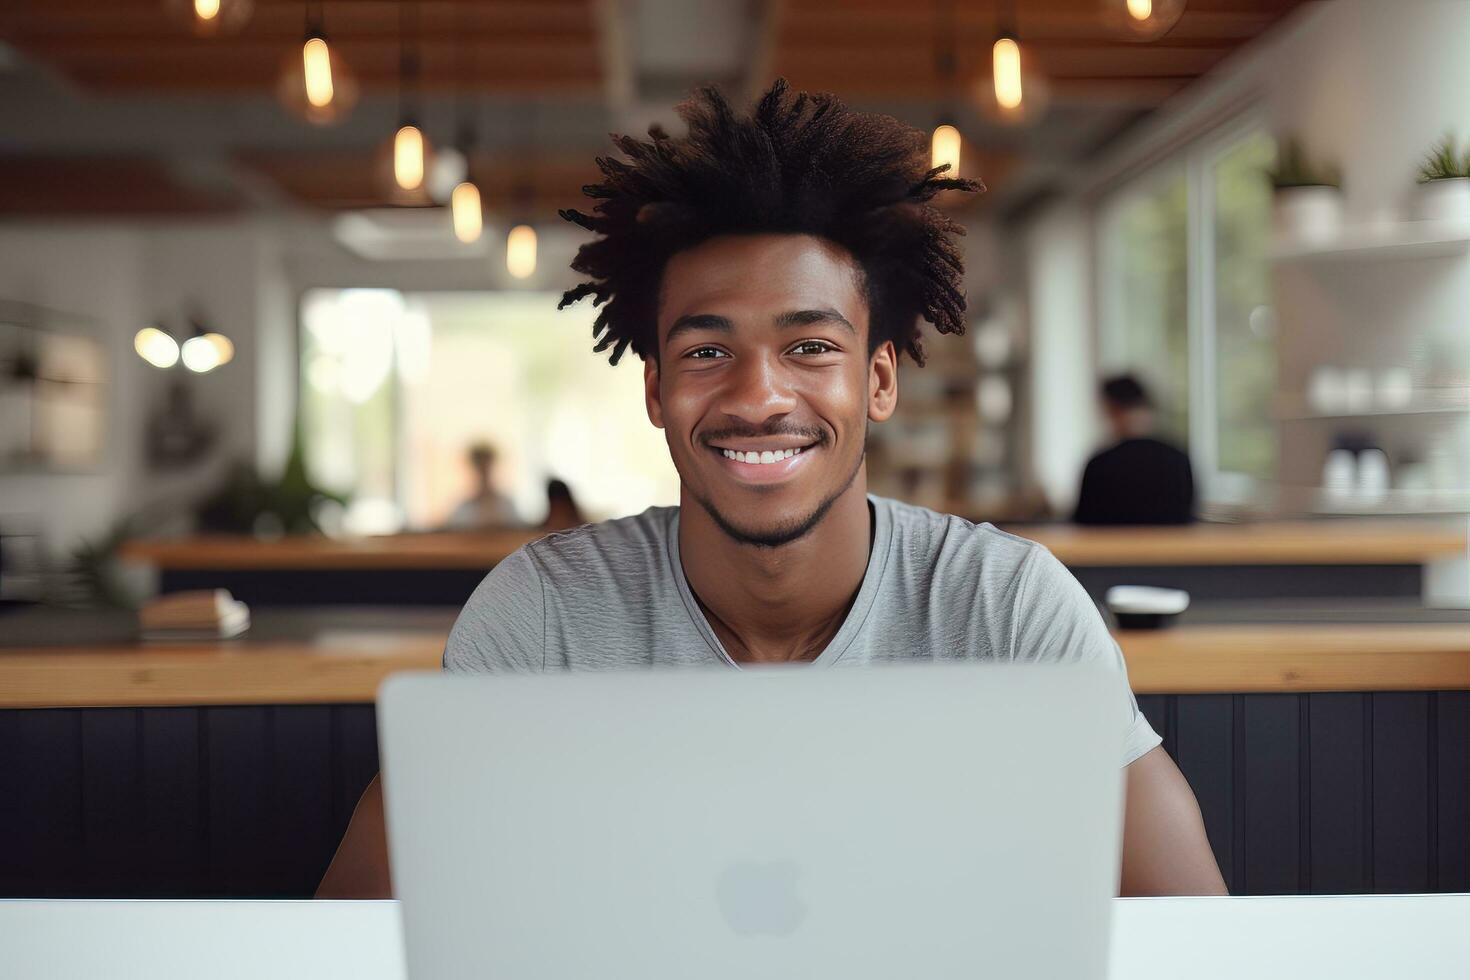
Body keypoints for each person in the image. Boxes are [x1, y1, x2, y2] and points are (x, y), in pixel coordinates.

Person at [318, 80, 1225, 900]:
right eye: (707, 352)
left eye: (810, 347)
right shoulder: (541, 617)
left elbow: (1200, 939)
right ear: (656, 392)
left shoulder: (1006, 608)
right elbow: (347, 940)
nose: (757, 397)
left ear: (878, 382)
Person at [1074, 375, 1196, 526]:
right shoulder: (1179, 459)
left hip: (1111, 548)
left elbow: (1084, 522)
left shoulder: (1101, 463)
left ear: (1111, 408)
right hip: (1172, 549)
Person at [443, 442, 520, 530]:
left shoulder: (506, 505)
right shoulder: (463, 509)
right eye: (480, 466)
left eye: (486, 466)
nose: (483, 471)